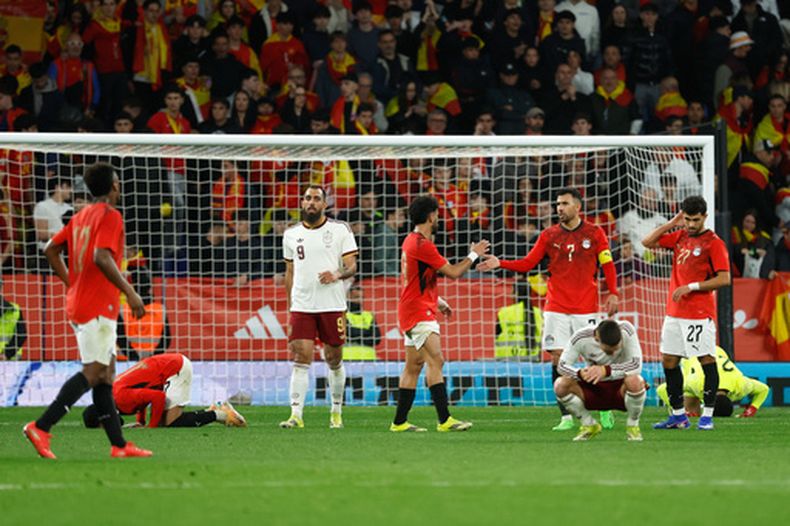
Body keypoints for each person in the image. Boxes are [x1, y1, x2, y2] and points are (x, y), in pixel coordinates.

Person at [23, 162, 152, 459]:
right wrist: (130, 293)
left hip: (83, 301)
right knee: (94, 371)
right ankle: (41, 426)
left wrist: (72, 282)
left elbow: (50, 249)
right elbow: (102, 257)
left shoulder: (81, 216)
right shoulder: (110, 216)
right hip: (96, 304)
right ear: (115, 186)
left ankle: (120, 445)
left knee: (105, 374)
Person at [477, 188, 619, 431]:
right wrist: (501, 263)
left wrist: (614, 292)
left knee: (593, 357)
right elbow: (528, 263)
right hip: (556, 306)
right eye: (557, 204)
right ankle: (566, 415)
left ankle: (604, 408)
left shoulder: (595, 233)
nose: (559, 208)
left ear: (578, 207)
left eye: (564, 204)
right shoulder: (548, 235)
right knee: (558, 358)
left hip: (586, 307)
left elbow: (607, 264)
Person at [390, 195, 489, 432]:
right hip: (418, 311)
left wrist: (438, 300)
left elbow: (415, 279)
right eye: (437, 214)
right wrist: (473, 254)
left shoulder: (411, 241)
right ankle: (445, 419)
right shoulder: (422, 245)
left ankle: (399, 422)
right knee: (437, 360)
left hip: (413, 306)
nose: (439, 218)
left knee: (413, 367)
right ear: (431, 216)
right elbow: (454, 272)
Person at [642, 196, 731, 431]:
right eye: (688, 219)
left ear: (705, 217)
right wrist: (673, 223)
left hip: (698, 313)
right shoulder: (680, 236)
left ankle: (707, 416)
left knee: (705, 360)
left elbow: (724, 278)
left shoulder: (714, 243)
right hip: (674, 313)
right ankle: (679, 417)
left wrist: (690, 287)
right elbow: (647, 242)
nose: (691, 225)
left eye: (696, 220)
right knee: (669, 361)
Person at [280, 186, 358, 429]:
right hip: (302, 306)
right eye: (307, 198)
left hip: (332, 305)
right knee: (301, 356)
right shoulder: (291, 234)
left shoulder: (339, 229)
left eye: (316, 199)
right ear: (302, 203)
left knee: (333, 358)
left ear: (325, 204)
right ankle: (296, 415)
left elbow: (351, 266)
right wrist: (290, 306)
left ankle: (336, 412)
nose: (311, 203)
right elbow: (290, 272)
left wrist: (336, 274)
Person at [82, 353, 246, 428]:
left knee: (170, 422)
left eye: (102, 426)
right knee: (163, 421)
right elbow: (141, 398)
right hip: (168, 365)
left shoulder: (120, 398)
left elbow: (157, 397)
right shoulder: (114, 395)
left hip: (175, 369)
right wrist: (142, 422)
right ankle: (214, 410)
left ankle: (221, 415)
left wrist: (150, 427)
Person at [555, 319, 647, 441]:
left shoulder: (626, 330)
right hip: (594, 388)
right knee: (560, 385)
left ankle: (633, 426)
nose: (613, 352)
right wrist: (580, 373)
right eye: (609, 350)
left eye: (617, 348)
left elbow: (636, 365)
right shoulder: (581, 337)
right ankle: (589, 424)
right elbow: (561, 366)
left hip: (620, 388)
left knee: (635, 381)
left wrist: (606, 370)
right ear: (597, 339)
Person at [656, 346, 770, 418]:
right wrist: (679, 409)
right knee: (689, 411)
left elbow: (764, 389)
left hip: (718, 351)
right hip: (692, 356)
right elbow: (662, 389)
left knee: (693, 414)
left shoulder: (740, 385)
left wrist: (752, 409)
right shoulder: (696, 383)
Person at [0, 294, 27, 360]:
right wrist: (6, 354)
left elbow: (21, 335)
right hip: (12, 363)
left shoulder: (15, 310)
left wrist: (6, 354)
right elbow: (21, 335)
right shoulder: (15, 309)